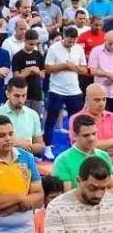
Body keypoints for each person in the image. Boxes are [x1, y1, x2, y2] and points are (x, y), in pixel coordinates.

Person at [43, 26, 87, 160]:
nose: (71, 44)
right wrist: (64, 66)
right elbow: (48, 68)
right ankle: (47, 147)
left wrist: (74, 67)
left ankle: (76, 146)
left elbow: (84, 69)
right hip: (56, 90)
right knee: (50, 120)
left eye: (73, 41)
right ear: (64, 37)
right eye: (68, 41)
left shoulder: (79, 49)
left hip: (74, 90)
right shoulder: (54, 48)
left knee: (77, 121)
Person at [0, 76, 44, 156]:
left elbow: (40, 145)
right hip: (0, 161)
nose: (20, 100)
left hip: (25, 161)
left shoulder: (33, 115)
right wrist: (16, 143)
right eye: (17, 96)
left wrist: (26, 146)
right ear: (7, 94)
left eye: (24, 95)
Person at [54, 114, 113, 190]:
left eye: (94, 133)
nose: (91, 138)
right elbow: (67, 194)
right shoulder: (62, 161)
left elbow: (111, 185)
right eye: (86, 135)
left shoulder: (103, 155)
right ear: (75, 135)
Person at [68, 83, 113, 154]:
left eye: (104, 99)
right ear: (87, 100)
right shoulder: (75, 119)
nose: (101, 104)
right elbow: (80, 147)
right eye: (97, 100)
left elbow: (90, 146)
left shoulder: (111, 116)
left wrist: (96, 146)